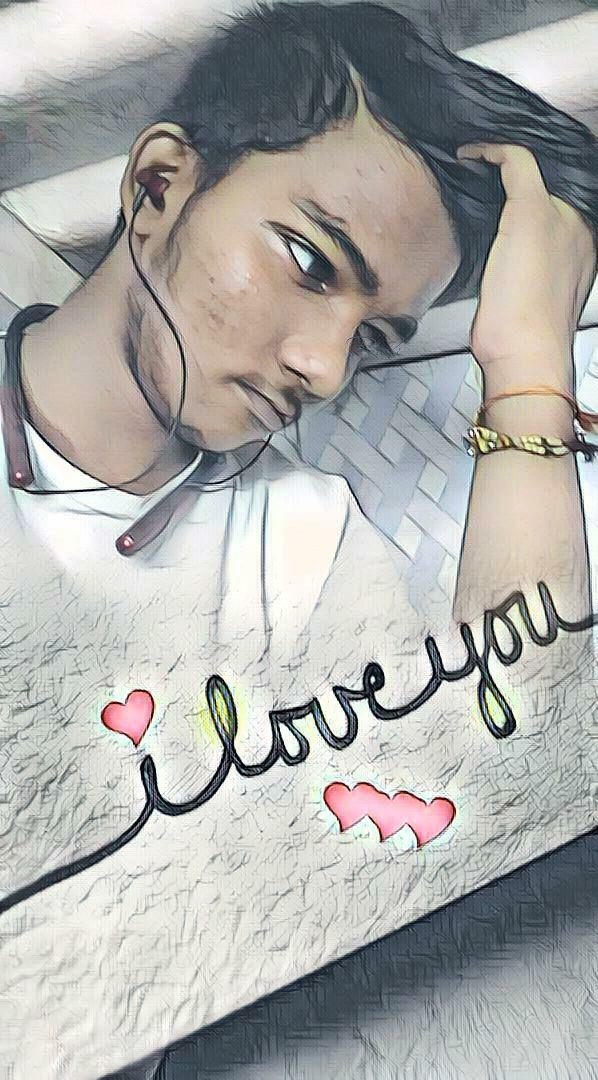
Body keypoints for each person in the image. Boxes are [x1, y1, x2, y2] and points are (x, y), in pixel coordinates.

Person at [0, 4, 596, 1077]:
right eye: (312, 264)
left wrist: (525, 368)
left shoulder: (301, 536)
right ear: (158, 188)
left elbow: (521, 779)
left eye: (370, 338)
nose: (324, 368)